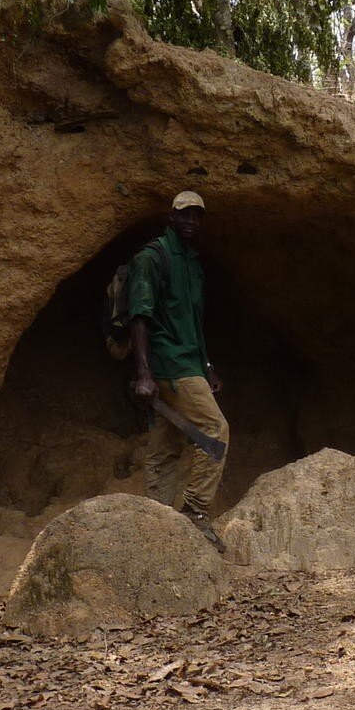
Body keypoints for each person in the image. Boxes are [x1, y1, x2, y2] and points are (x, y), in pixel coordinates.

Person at [128, 191, 228, 550]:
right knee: (215, 432)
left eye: (196, 216)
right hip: (167, 364)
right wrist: (143, 373)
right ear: (170, 217)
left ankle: (157, 527)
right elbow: (138, 315)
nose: (190, 221)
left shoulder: (191, 261)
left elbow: (193, 320)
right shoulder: (152, 258)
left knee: (166, 446)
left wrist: (207, 366)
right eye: (184, 215)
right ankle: (196, 513)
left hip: (188, 363)